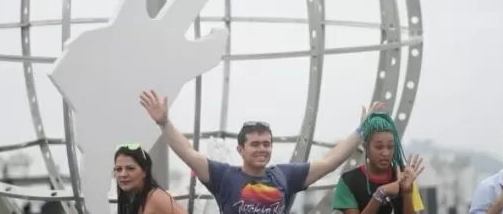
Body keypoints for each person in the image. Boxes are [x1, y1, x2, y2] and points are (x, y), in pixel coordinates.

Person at [139, 89, 384, 214]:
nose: (262, 149)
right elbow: (188, 153)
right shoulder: (224, 176)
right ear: (240, 149)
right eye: (255, 144)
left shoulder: (285, 175)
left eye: (266, 144)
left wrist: (361, 131)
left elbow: (330, 161)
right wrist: (164, 123)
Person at [331, 113, 426, 214]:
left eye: (390, 147)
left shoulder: (406, 176)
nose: (385, 153)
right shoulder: (348, 182)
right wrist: (380, 193)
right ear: (366, 147)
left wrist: (407, 191)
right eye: (379, 147)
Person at [114, 143, 188, 214]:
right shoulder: (131, 198)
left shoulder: (156, 197)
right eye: (118, 169)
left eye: (130, 168)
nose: (123, 174)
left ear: (145, 171)